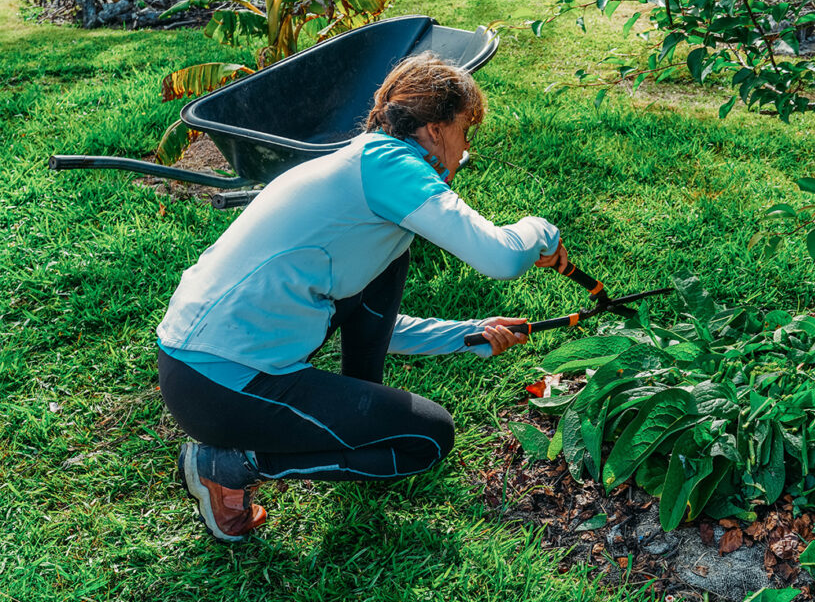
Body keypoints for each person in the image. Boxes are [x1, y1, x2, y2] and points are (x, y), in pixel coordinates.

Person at [156, 52, 568, 542]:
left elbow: (373, 321)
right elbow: (501, 259)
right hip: (221, 385)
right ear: (434, 130)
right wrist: (541, 229)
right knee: (426, 438)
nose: (464, 150)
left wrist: (465, 335)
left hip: (196, 367)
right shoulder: (391, 166)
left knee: (392, 263)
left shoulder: (362, 165)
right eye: (464, 131)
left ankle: (347, 418)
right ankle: (227, 464)